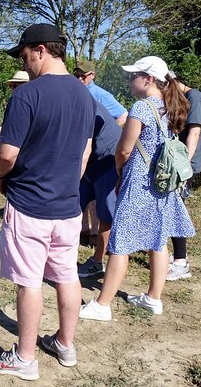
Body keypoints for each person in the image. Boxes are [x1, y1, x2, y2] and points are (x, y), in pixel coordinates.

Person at [0, 23, 95, 381]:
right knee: (66, 274)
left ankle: (26, 358)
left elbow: (7, 154)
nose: (23, 61)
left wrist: (1, 178)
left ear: (41, 50)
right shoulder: (85, 96)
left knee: (29, 280)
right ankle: (65, 343)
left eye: (24, 54)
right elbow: (84, 152)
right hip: (67, 207)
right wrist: (67, 185)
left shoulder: (26, 96)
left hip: (29, 203)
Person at [79, 56, 195, 322]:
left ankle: (102, 304)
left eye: (133, 76)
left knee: (121, 243)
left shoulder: (142, 107)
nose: (129, 80)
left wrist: (120, 173)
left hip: (140, 181)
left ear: (149, 79)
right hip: (162, 182)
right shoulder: (170, 106)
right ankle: (153, 298)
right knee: (159, 238)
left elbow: (124, 149)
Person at [74, 60, 128, 242]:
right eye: (77, 75)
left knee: (103, 200)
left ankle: (108, 239)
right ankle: (86, 231)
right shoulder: (77, 93)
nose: (80, 78)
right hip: (90, 155)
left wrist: (106, 132)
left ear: (92, 75)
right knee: (84, 195)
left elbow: (123, 115)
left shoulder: (100, 94)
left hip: (104, 154)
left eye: (83, 75)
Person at [166, 71, 201, 281]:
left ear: (175, 82)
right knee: (173, 207)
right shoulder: (186, 99)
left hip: (186, 165)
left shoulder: (195, 99)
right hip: (181, 163)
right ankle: (175, 257)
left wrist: (183, 165)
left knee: (176, 209)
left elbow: (194, 132)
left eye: (167, 86)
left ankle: (180, 263)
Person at [76, 100, 121, 278]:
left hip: (107, 162)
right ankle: (59, 255)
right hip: (90, 164)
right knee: (72, 206)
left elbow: (82, 148)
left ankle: (97, 261)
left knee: (106, 214)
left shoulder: (86, 105)